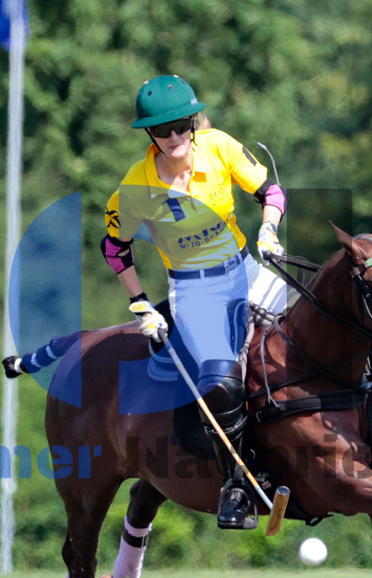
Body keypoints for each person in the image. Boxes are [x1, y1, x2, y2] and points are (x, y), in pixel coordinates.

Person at [101, 74, 288, 529]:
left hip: (245, 271)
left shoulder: (218, 146)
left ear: (193, 121)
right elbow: (114, 248)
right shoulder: (135, 187)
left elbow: (270, 192)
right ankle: (237, 487)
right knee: (221, 384)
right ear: (149, 133)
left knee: (314, 335)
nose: (174, 137)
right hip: (193, 290)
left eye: (182, 125)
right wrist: (140, 303)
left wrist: (268, 229)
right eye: (162, 130)